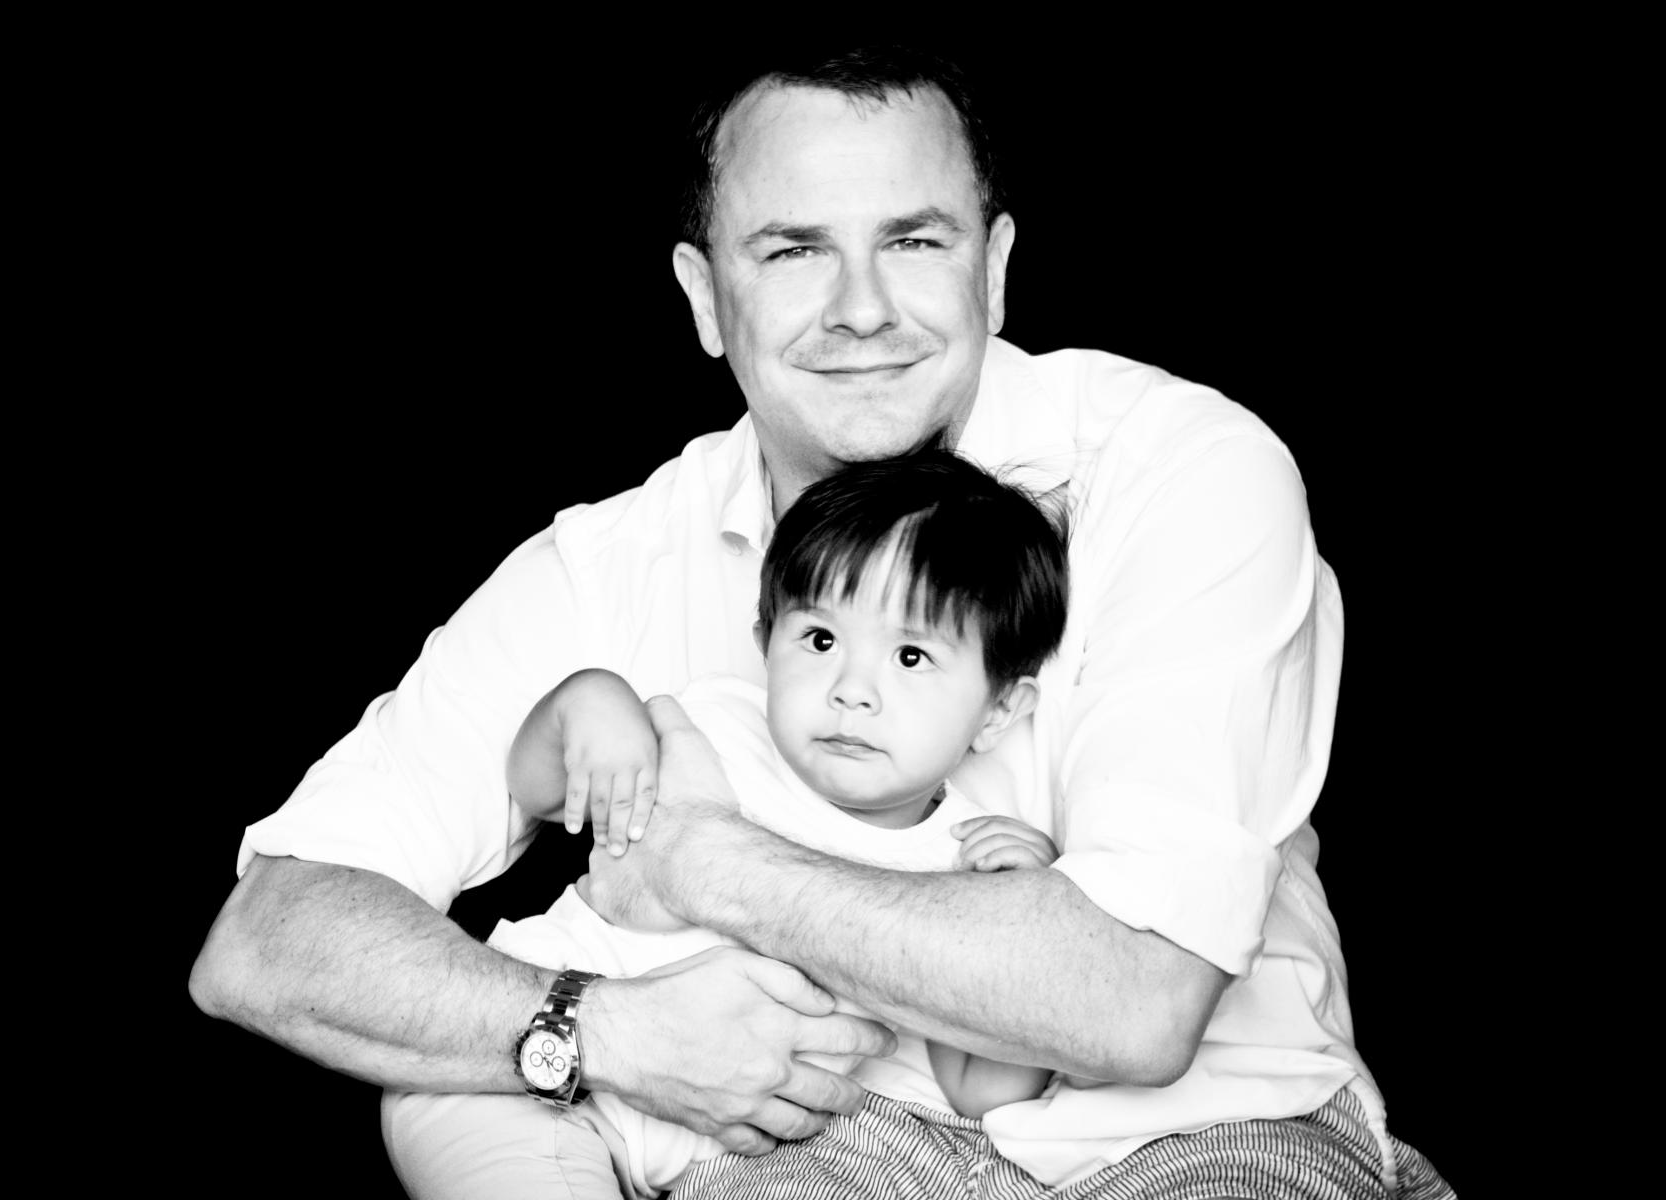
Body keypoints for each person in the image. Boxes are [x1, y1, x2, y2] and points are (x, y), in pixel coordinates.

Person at [191, 44, 1453, 1199]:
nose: (861, 307)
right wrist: (595, 1027)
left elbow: (1133, 1001)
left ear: (994, 268)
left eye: (914, 241)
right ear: (703, 296)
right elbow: (268, 939)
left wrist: (706, 863)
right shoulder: (616, 563)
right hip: (820, 1140)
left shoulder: (1179, 468)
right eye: (794, 251)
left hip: (1214, 1129)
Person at [387, 448, 1071, 1197]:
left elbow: (981, 1091)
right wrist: (587, 704)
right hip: (518, 1073)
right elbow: (537, 787)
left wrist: (1028, 917)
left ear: (999, 709)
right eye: (820, 640)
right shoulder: (714, 728)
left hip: (717, 1162)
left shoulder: (963, 864)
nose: (852, 690)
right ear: (765, 644)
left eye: (911, 655)